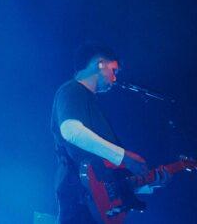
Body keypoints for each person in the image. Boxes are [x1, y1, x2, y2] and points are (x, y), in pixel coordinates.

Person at [51, 42, 166, 223]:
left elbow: (108, 177)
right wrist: (123, 156)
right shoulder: (71, 89)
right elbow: (71, 130)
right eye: (114, 70)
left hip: (94, 205)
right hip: (80, 199)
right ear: (100, 64)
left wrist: (149, 183)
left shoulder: (92, 104)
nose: (114, 79)